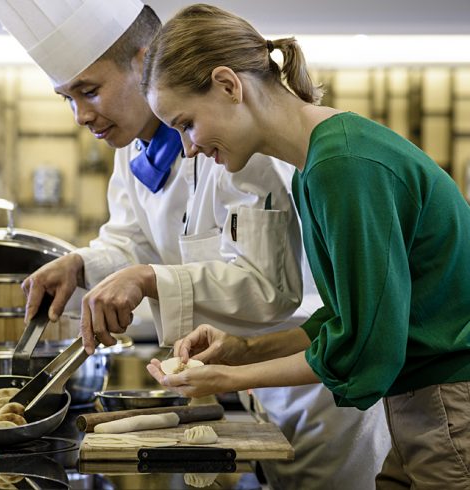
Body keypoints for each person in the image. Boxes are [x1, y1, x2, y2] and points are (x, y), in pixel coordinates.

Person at [0, 1, 391, 488]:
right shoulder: (135, 151)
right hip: (245, 369)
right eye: (66, 98)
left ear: (144, 59)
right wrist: (81, 265)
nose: (80, 115)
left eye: (89, 91)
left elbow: (266, 288)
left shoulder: (244, 146)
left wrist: (148, 279)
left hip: (317, 390)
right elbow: (131, 243)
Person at [141, 4, 470, 488]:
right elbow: (346, 319)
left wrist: (233, 380)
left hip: (446, 403)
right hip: (422, 404)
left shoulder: (343, 164)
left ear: (229, 84)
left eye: (186, 122)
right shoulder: (317, 166)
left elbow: (364, 348)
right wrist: (242, 351)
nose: (188, 147)